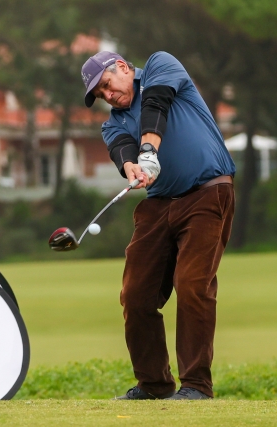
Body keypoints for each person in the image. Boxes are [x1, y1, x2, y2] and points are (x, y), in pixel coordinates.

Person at [80, 51, 236, 400]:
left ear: (123, 67)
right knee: (135, 294)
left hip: (208, 192)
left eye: (107, 85)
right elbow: (122, 150)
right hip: (158, 204)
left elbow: (156, 103)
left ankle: (196, 385)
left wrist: (149, 149)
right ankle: (153, 384)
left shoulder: (160, 65)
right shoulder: (112, 124)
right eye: (101, 94)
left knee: (192, 284)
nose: (107, 95)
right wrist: (132, 166)